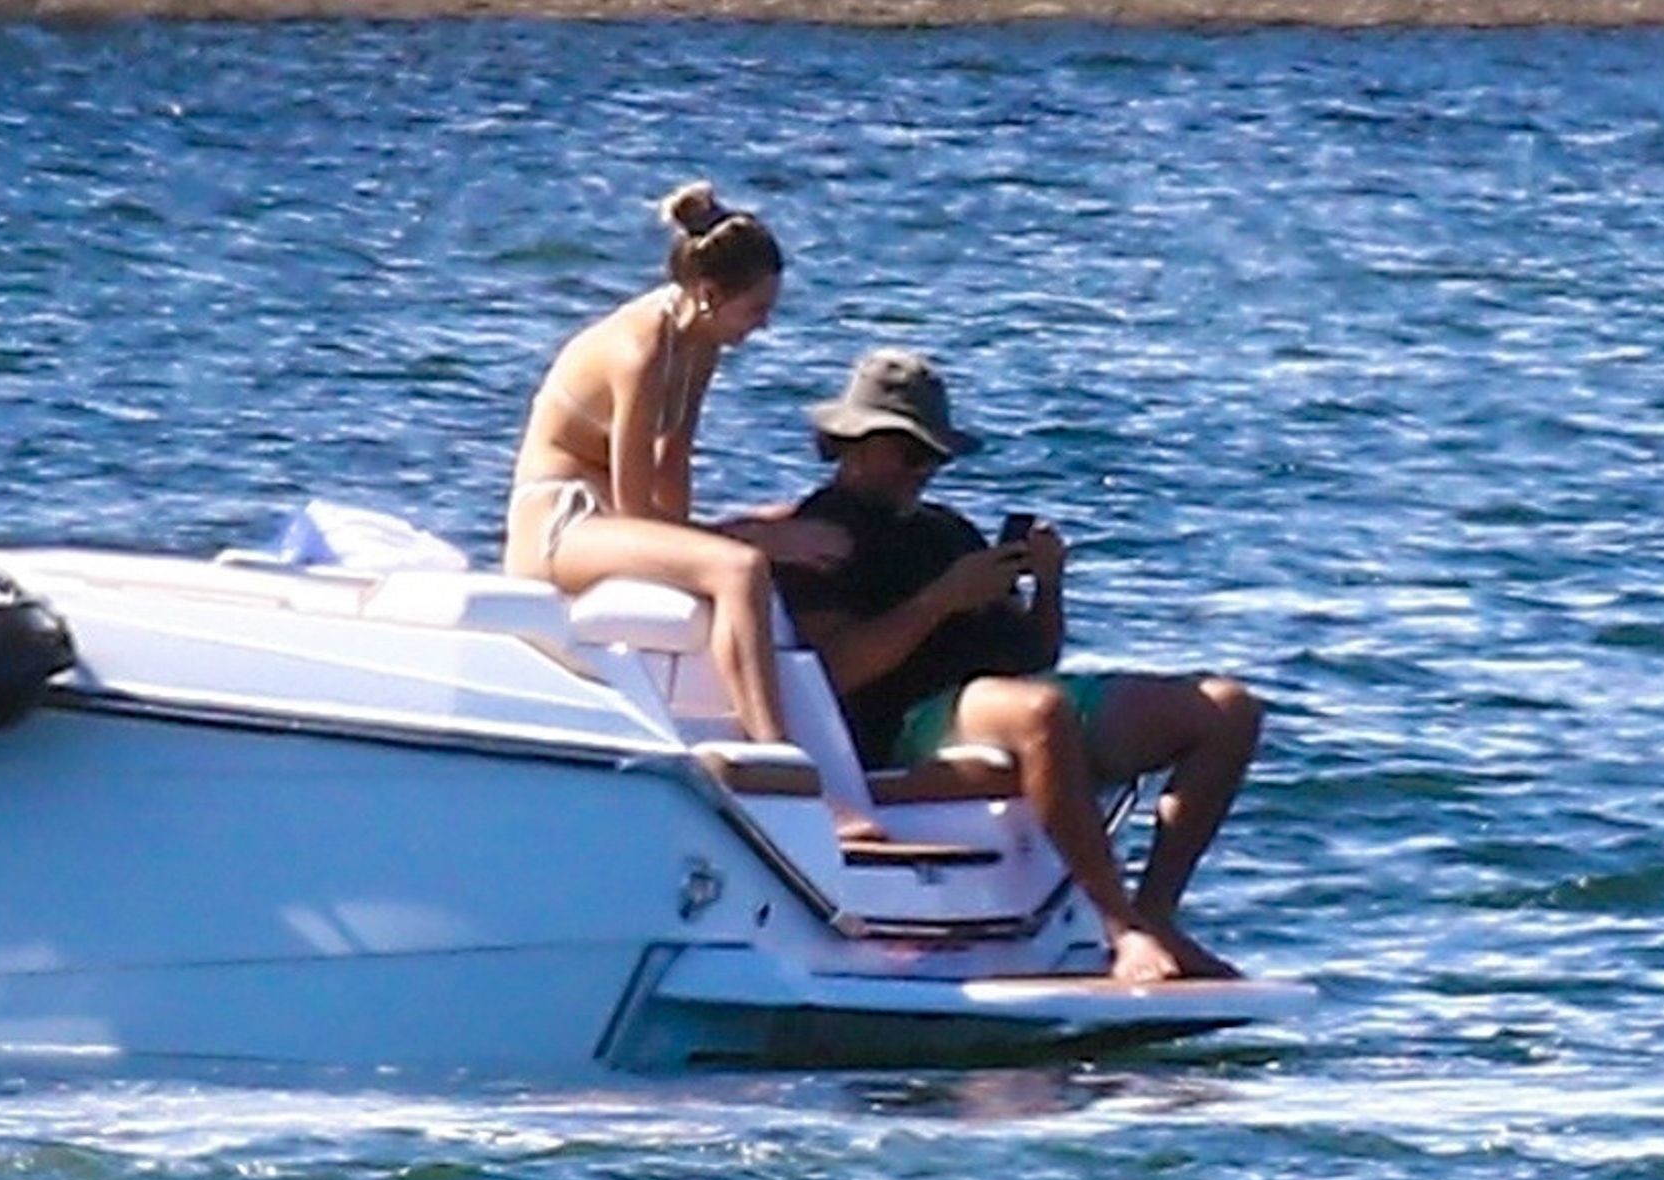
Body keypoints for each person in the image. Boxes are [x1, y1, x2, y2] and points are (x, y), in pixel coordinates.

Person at [773, 348, 1263, 984]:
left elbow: (1034, 655)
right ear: (855, 445)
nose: (923, 472)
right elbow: (835, 670)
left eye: (933, 458)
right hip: (903, 717)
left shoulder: (945, 530)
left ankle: (1158, 914)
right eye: (910, 454)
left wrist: (1048, 586)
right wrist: (940, 601)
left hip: (998, 697)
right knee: (1041, 711)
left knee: (1225, 709)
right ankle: (1122, 928)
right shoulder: (822, 536)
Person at [504, 182, 842, 744]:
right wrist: (739, 539)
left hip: (609, 518)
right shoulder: (638, 354)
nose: (763, 325)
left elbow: (672, 463)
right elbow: (637, 509)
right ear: (709, 293)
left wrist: (723, 535)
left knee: (772, 529)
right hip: (560, 526)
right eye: (756, 309)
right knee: (740, 568)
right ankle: (776, 752)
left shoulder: (699, 342)